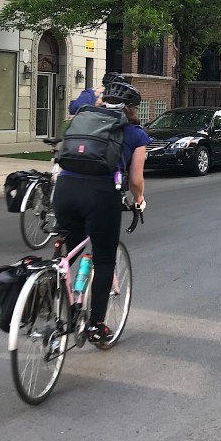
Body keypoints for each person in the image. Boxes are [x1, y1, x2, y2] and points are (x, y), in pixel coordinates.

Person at [53, 80, 151, 345]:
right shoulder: (135, 134)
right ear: (132, 109)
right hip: (101, 195)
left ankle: (46, 291)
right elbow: (136, 179)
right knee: (105, 260)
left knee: (68, 250)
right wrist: (139, 200)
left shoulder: (83, 119)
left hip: (64, 190)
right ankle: (96, 326)